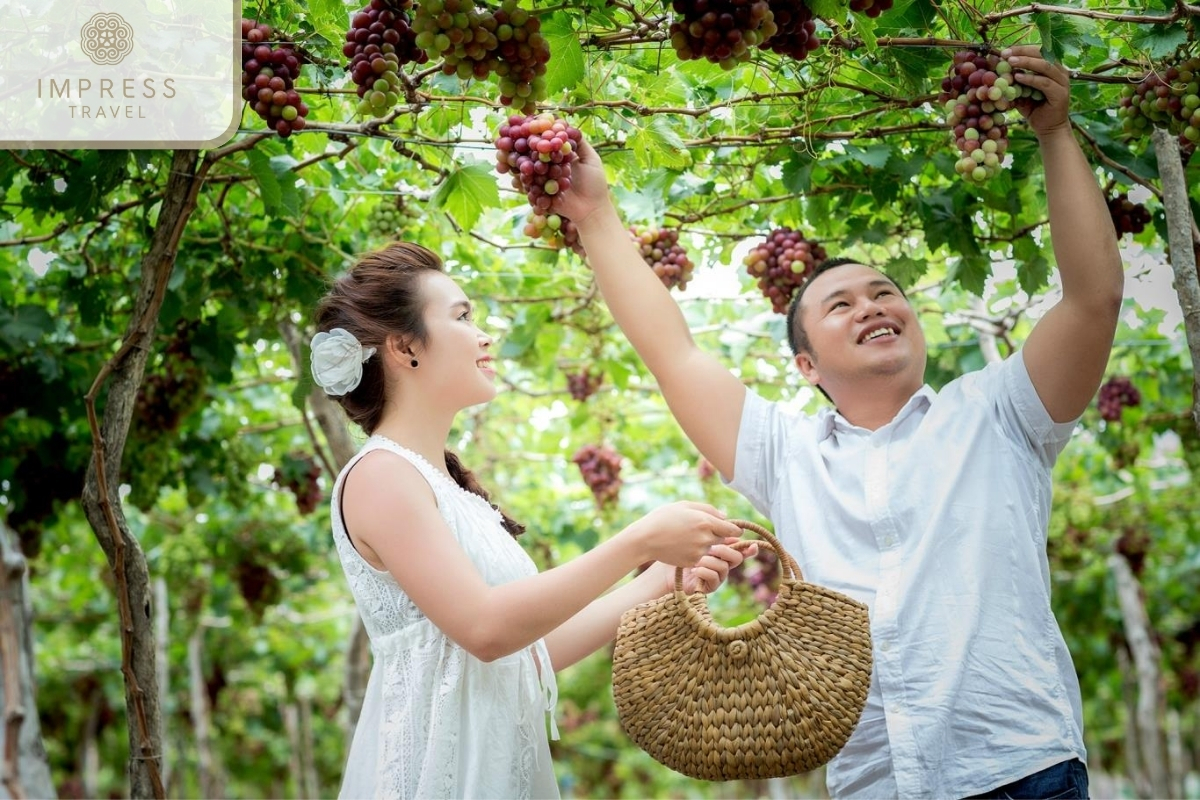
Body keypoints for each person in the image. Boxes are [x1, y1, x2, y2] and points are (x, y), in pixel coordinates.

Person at [554, 45, 1122, 799]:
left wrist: (1055, 134)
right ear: (807, 368)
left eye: (885, 293)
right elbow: (674, 354)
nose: (873, 307)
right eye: (841, 305)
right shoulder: (785, 456)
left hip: (1022, 771)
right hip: (874, 783)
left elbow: (1092, 300)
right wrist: (595, 215)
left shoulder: (1001, 412)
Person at [310, 241, 753, 800]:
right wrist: (637, 539)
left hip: (494, 767)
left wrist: (662, 579)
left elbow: (528, 654)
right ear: (405, 347)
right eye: (463, 316)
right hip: (434, 774)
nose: (484, 335)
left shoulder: (447, 488)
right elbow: (487, 631)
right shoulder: (381, 474)